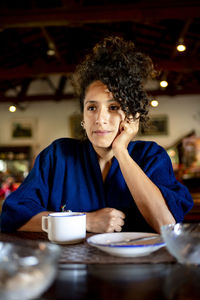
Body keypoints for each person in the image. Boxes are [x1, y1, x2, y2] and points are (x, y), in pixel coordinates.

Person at [1, 36, 193, 233]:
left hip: (140, 263)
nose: (100, 118)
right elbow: (13, 218)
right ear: (83, 117)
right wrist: (84, 222)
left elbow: (167, 226)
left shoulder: (152, 157)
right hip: (70, 263)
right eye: (92, 107)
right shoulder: (57, 156)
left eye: (114, 107)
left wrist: (122, 152)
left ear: (131, 115)